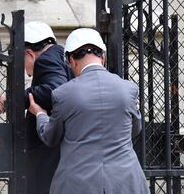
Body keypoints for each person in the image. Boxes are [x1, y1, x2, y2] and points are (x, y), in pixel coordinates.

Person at [28, 27, 149, 194]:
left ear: (72, 60)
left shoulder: (63, 94)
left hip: (77, 183)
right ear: (103, 57)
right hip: (125, 182)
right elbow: (135, 129)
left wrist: (39, 113)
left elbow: (50, 137)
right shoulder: (128, 89)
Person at [0, 21, 72, 194]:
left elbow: (55, 90)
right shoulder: (61, 55)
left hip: (45, 153)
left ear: (29, 53)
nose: (25, 70)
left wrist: (13, 98)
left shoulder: (45, 61)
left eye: (22, 61)